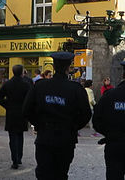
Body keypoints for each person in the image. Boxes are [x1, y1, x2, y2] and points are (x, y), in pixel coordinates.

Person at [23, 52, 92, 180]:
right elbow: (86, 113)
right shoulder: (76, 89)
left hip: (45, 135)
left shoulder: (40, 86)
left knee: (43, 172)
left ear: (54, 66)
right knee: (61, 173)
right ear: (68, 68)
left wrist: (38, 124)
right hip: (65, 137)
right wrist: (73, 126)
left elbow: (26, 109)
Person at [0, 64, 32, 169]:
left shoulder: (8, 84)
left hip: (11, 112)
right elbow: (30, 99)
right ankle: (19, 157)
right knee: (20, 136)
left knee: (12, 137)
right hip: (22, 113)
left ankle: (14, 160)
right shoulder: (26, 84)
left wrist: (6, 105)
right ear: (22, 73)